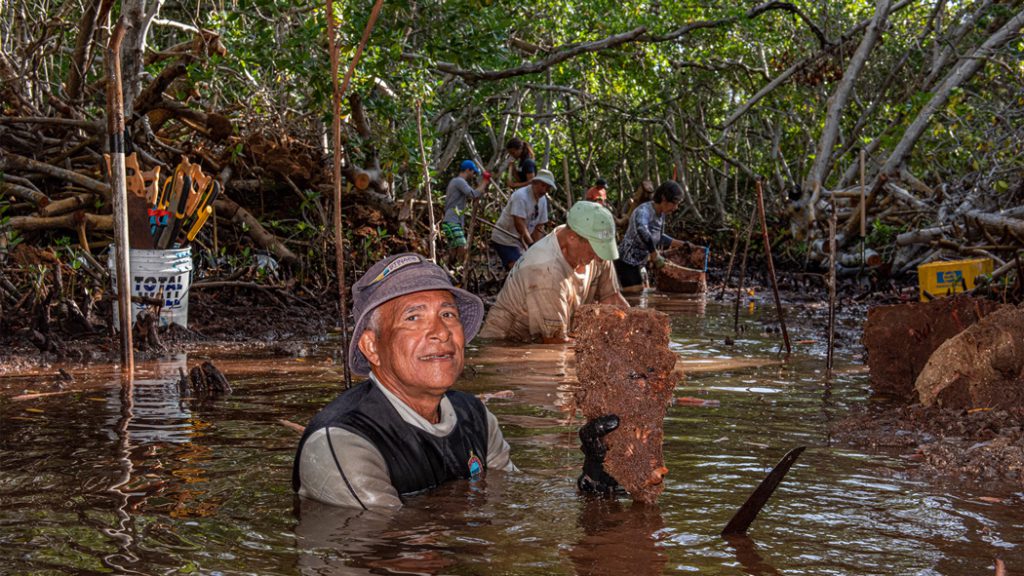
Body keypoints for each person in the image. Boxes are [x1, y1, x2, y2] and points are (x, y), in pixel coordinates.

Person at [292, 253, 516, 508]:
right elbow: (390, 541)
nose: (441, 333)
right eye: (413, 318)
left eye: (448, 314)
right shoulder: (342, 442)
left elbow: (506, 504)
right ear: (371, 347)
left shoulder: (476, 418)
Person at [479, 201, 629, 343]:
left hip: (546, 336)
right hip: (506, 342)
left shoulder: (594, 246)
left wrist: (637, 327)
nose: (599, 258)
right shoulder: (545, 271)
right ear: (572, 238)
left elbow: (612, 300)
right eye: (595, 251)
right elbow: (556, 342)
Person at [615, 180, 689, 292]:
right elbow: (642, 231)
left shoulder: (661, 214)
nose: (676, 208)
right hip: (627, 260)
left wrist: (682, 244)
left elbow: (659, 236)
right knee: (635, 296)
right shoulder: (644, 211)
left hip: (640, 262)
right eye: (674, 203)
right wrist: (654, 254)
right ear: (664, 198)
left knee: (645, 295)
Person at [489, 169, 555, 269]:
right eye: (543, 185)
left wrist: (536, 248)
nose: (544, 190)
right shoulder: (521, 196)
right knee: (517, 269)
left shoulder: (543, 200)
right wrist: (531, 244)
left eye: (548, 188)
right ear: (534, 183)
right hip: (505, 239)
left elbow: (539, 226)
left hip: (521, 243)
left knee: (530, 267)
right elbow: (519, 223)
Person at [442, 160, 490, 266]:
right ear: (468, 170)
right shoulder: (459, 181)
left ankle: (451, 271)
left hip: (451, 220)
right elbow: (473, 194)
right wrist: (485, 181)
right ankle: (459, 269)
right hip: (452, 220)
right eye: (473, 172)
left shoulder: (456, 181)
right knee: (462, 245)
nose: (473, 175)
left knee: (453, 250)